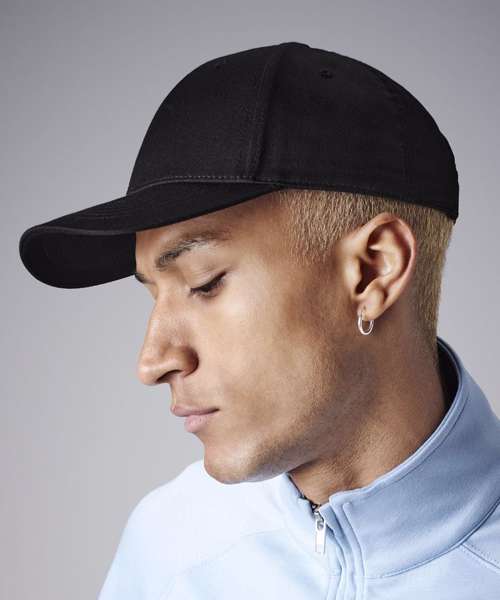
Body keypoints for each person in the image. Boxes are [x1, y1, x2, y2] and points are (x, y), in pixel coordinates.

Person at [19, 41, 500, 599]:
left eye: (204, 283)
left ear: (374, 271)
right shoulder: (169, 548)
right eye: (153, 294)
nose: (153, 362)